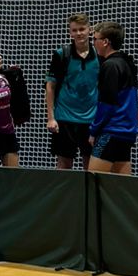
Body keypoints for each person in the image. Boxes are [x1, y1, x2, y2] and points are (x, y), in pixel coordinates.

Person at [44, 13, 98, 171]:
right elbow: (50, 86)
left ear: (90, 30)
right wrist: (51, 118)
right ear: (70, 33)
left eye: (82, 29)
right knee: (64, 165)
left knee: (90, 166)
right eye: (74, 30)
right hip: (65, 118)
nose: (79, 33)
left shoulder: (99, 55)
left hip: (91, 119)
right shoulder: (62, 54)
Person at [88, 21, 138, 175]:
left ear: (105, 42)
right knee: (121, 185)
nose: (93, 43)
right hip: (127, 133)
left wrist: (94, 131)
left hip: (112, 131)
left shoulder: (110, 66)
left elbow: (107, 104)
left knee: (93, 181)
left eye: (95, 39)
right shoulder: (127, 63)